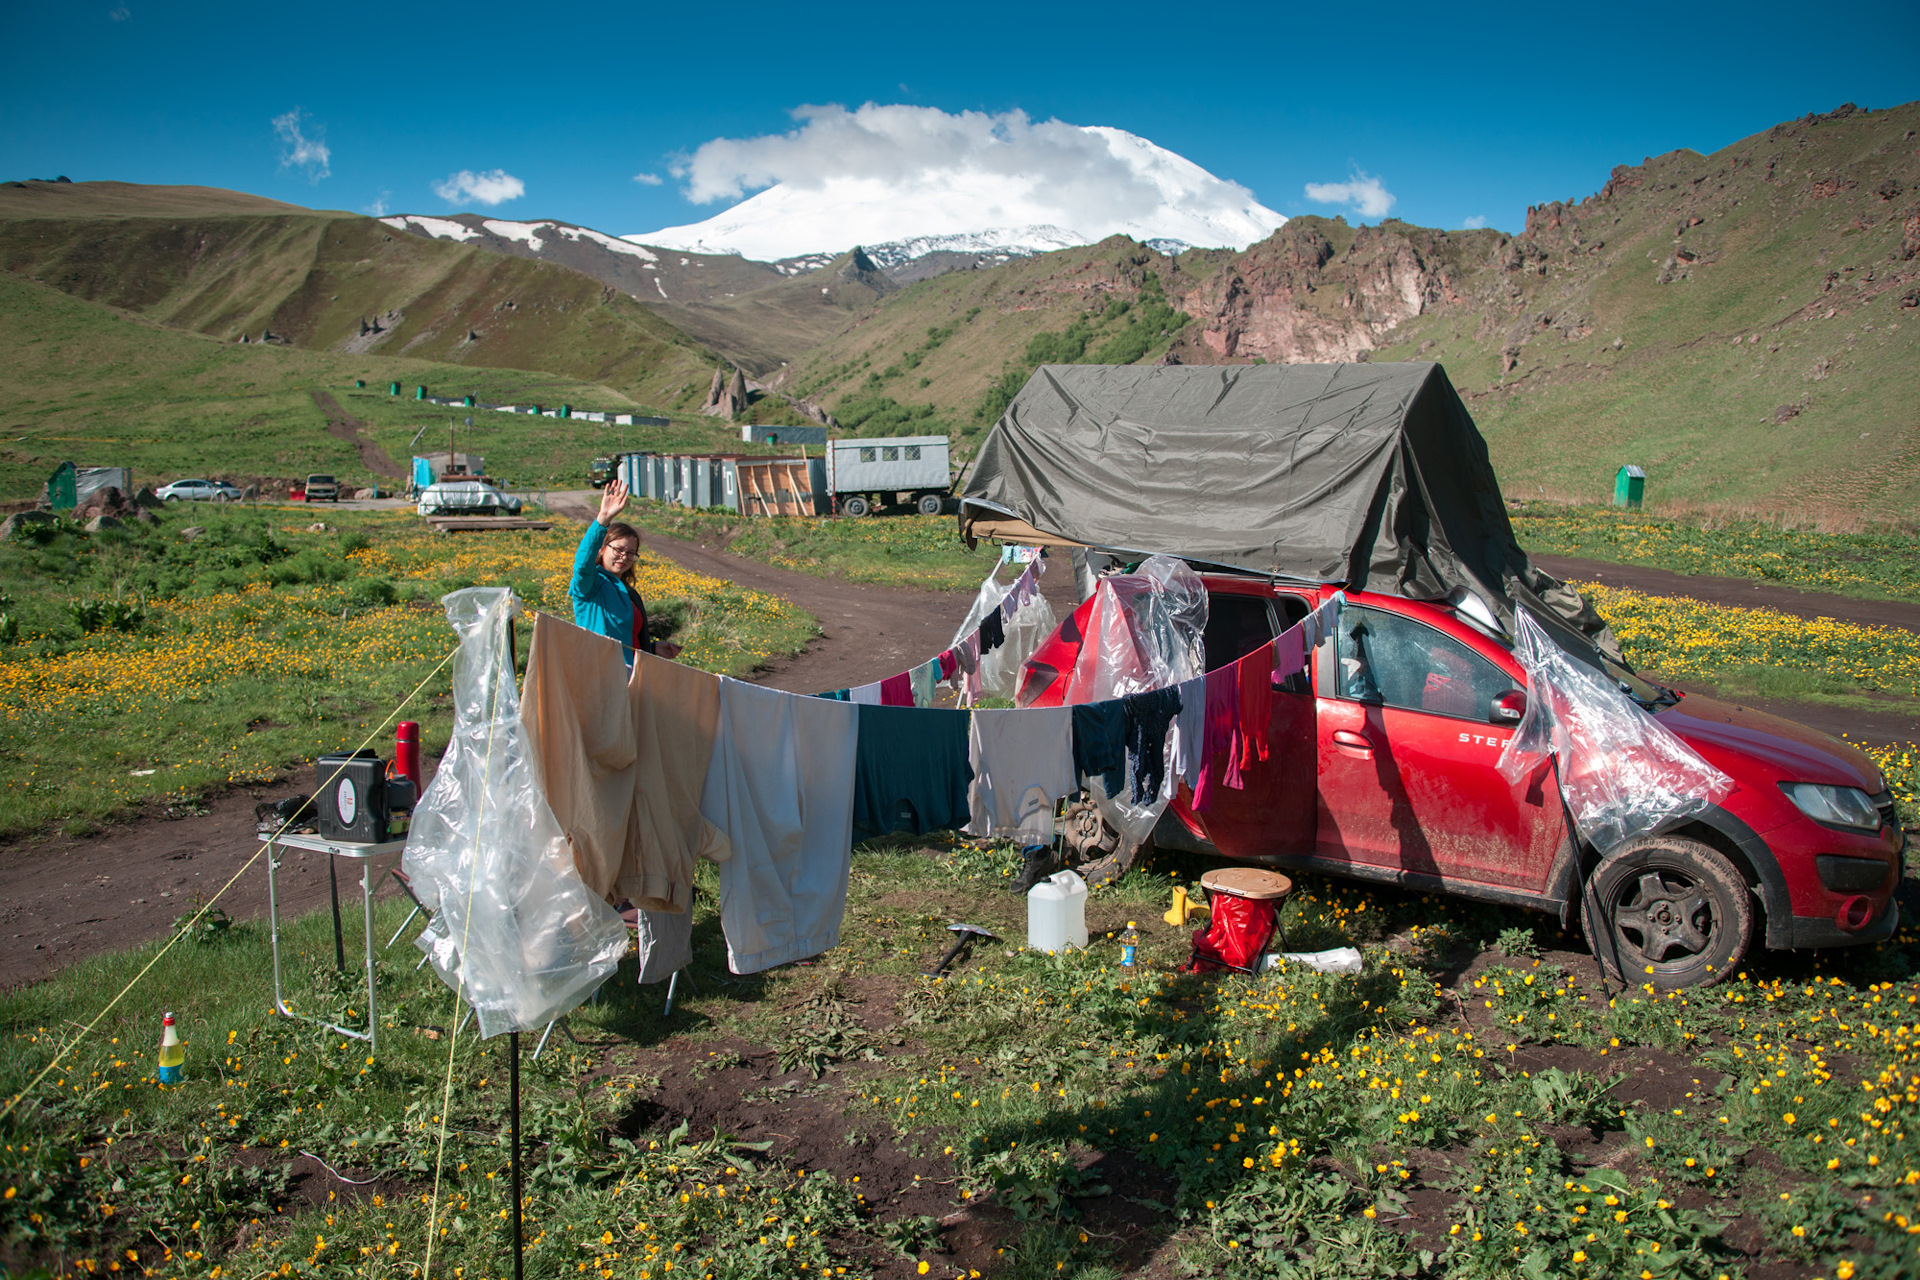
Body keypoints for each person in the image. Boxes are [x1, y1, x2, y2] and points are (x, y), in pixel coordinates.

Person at [571, 478, 681, 664]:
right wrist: (603, 519)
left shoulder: (627, 592)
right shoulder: (590, 585)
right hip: (598, 675)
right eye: (618, 550)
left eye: (630, 553)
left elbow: (627, 642)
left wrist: (652, 648)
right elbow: (582, 565)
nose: (624, 557)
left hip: (628, 677)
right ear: (602, 549)